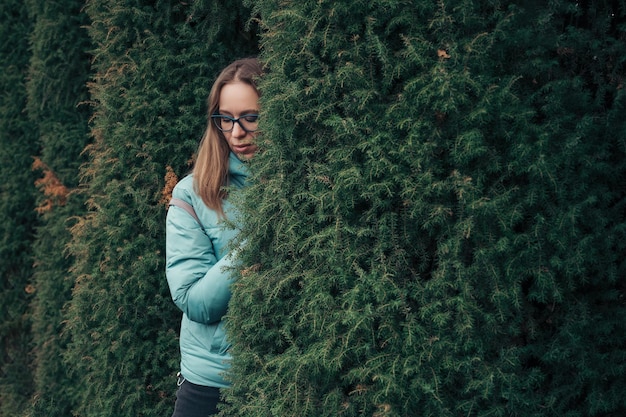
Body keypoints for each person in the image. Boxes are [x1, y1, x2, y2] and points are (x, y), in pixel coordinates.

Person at [165, 57, 263, 417]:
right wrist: (257, 239)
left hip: (290, 382)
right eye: (225, 119)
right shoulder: (193, 194)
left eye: (251, 118)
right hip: (211, 386)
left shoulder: (305, 188)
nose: (237, 132)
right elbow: (195, 300)